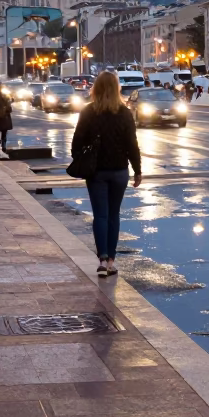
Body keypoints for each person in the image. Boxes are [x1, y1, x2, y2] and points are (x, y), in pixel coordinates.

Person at [72, 73, 142, 278]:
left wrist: (83, 160)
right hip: (120, 171)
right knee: (114, 215)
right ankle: (111, 260)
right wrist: (137, 170)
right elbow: (132, 145)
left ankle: (102, 259)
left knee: (100, 215)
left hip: (96, 172)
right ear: (117, 88)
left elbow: (76, 142)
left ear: (96, 88)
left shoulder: (88, 112)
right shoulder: (124, 113)